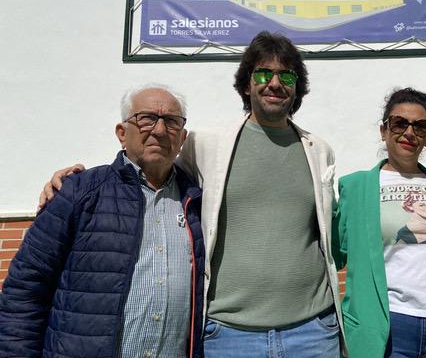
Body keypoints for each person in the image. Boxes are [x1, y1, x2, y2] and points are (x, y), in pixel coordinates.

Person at [40, 32, 342, 358]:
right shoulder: (206, 144)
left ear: (296, 87)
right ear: (246, 84)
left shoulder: (319, 151)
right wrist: (78, 181)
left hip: (312, 331)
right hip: (228, 335)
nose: (274, 82)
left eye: (285, 75)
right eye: (262, 73)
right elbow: (153, 169)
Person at [0, 85, 205, 357]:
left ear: (182, 137)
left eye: (171, 121)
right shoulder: (78, 192)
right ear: (122, 133)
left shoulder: (199, 203)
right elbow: (25, 292)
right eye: (146, 118)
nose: (158, 130)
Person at [332, 87, 426, 358]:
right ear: (383, 130)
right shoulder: (356, 187)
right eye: (399, 123)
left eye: (420, 126)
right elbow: (334, 253)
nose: (409, 133)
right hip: (391, 327)